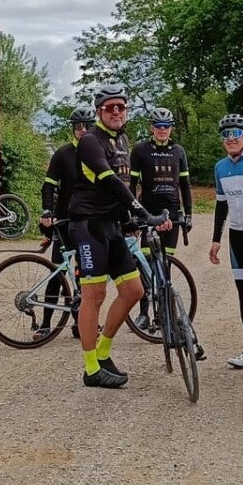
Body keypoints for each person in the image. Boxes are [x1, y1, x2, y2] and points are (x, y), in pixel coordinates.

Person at [67, 83, 171, 388]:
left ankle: (103, 351)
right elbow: (111, 181)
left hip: (111, 225)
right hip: (88, 226)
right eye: (110, 107)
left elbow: (127, 184)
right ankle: (91, 368)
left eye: (121, 107)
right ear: (99, 111)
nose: (116, 112)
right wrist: (142, 212)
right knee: (94, 295)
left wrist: (131, 218)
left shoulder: (122, 139)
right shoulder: (90, 141)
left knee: (134, 290)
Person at [208, 113, 243, 372]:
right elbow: (221, 206)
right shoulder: (220, 167)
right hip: (237, 236)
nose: (231, 138)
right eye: (226, 134)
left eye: (236, 134)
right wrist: (215, 240)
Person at [36, 106, 96, 337]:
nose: (82, 130)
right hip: (64, 222)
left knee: (86, 276)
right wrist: (47, 211)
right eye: (78, 126)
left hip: (88, 223)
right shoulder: (63, 154)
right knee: (57, 273)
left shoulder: (98, 153)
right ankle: (45, 324)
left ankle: (82, 323)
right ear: (73, 129)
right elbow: (48, 186)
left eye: (87, 126)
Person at [131, 107, 195, 246]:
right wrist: (134, 214)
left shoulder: (179, 151)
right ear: (151, 127)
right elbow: (132, 185)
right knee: (148, 256)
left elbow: (185, 185)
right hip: (149, 212)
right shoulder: (140, 150)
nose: (162, 129)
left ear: (171, 128)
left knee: (168, 258)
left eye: (166, 125)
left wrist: (189, 214)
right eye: (158, 125)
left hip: (172, 212)